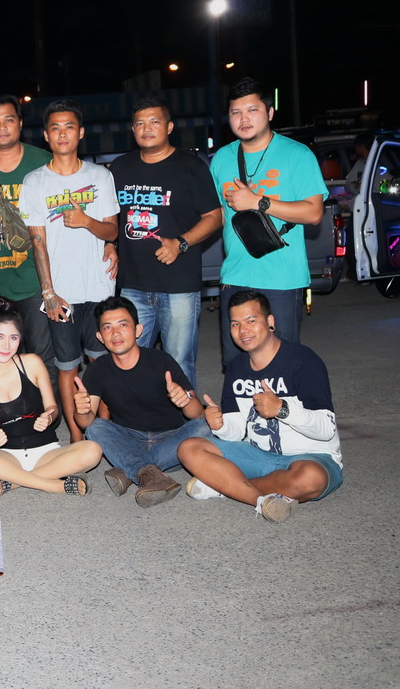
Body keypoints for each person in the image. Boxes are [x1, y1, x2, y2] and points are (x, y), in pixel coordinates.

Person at [177, 290, 342, 523]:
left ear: (270, 321)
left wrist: (283, 409)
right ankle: (262, 499)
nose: (243, 330)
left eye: (251, 321)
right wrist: (221, 425)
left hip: (310, 457)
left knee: (310, 479)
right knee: (188, 448)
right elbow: (236, 432)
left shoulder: (303, 361)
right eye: (235, 324)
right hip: (258, 457)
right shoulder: (236, 368)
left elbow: (326, 429)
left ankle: (224, 487)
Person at [19, 100, 119, 441]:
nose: (63, 134)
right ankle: (76, 436)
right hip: (62, 294)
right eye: (56, 128)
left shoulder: (100, 176)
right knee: (67, 366)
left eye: (69, 127)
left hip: (99, 288)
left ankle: (104, 432)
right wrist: (49, 293)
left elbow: (112, 231)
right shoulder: (35, 181)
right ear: (46, 136)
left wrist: (87, 221)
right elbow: (37, 241)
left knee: (101, 363)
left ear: (81, 132)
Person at [210, 77, 327, 366]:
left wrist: (259, 202)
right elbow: (218, 215)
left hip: (282, 279)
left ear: (270, 113)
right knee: (237, 367)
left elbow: (314, 213)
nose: (244, 119)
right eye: (236, 112)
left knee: (282, 365)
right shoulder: (222, 158)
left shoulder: (297, 154)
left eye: (252, 110)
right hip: (235, 277)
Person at [110, 97, 222, 387]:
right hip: (132, 285)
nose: (146, 129)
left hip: (179, 286)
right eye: (140, 123)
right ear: (133, 130)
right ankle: (138, 415)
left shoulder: (191, 166)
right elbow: (111, 219)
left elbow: (215, 216)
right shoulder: (119, 168)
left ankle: (184, 415)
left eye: (154, 122)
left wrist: (180, 243)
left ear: (169, 127)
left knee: (179, 362)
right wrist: (110, 244)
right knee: (128, 361)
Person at [72, 296, 209, 507]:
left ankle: (132, 470)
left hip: (170, 439)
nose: (115, 333)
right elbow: (86, 423)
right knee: (96, 428)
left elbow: (197, 413)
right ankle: (145, 471)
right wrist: (82, 410)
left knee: (205, 425)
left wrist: (185, 399)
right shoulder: (98, 369)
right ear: (100, 336)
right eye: (107, 327)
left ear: (138, 330)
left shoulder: (161, 360)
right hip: (128, 438)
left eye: (123, 325)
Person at [0, 95, 59, 383]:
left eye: (9, 119)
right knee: (0, 358)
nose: (2, 127)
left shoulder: (44, 161)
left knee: (43, 357)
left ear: (20, 123)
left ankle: (47, 410)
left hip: (36, 281)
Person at [0, 298, 102, 495]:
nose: (6, 345)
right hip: (7, 457)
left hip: (46, 451)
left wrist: (49, 417)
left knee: (93, 450)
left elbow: (52, 408)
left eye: (13, 337)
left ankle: (13, 482)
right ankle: (53, 485)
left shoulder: (32, 363)